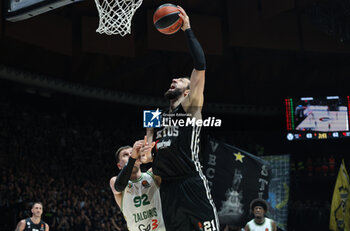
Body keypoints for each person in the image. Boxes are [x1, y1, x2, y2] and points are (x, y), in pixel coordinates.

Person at [142, 6, 219, 231]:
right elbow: (147, 151)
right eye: (175, 78)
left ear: (188, 92)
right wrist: (144, 151)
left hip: (190, 181)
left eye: (182, 80)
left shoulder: (191, 107)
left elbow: (200, 65)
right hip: (167, 188)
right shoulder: (156, 114)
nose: (175, 78)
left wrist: (187, 29)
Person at [109, 138, 165, 231]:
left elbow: (168, 160)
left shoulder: (152, 175)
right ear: (119, 165)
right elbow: (118, 188)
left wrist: (151, 157)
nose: (131, 155)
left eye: (132, 153)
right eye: (125, 155)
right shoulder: (114, 181)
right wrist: (133, 158)